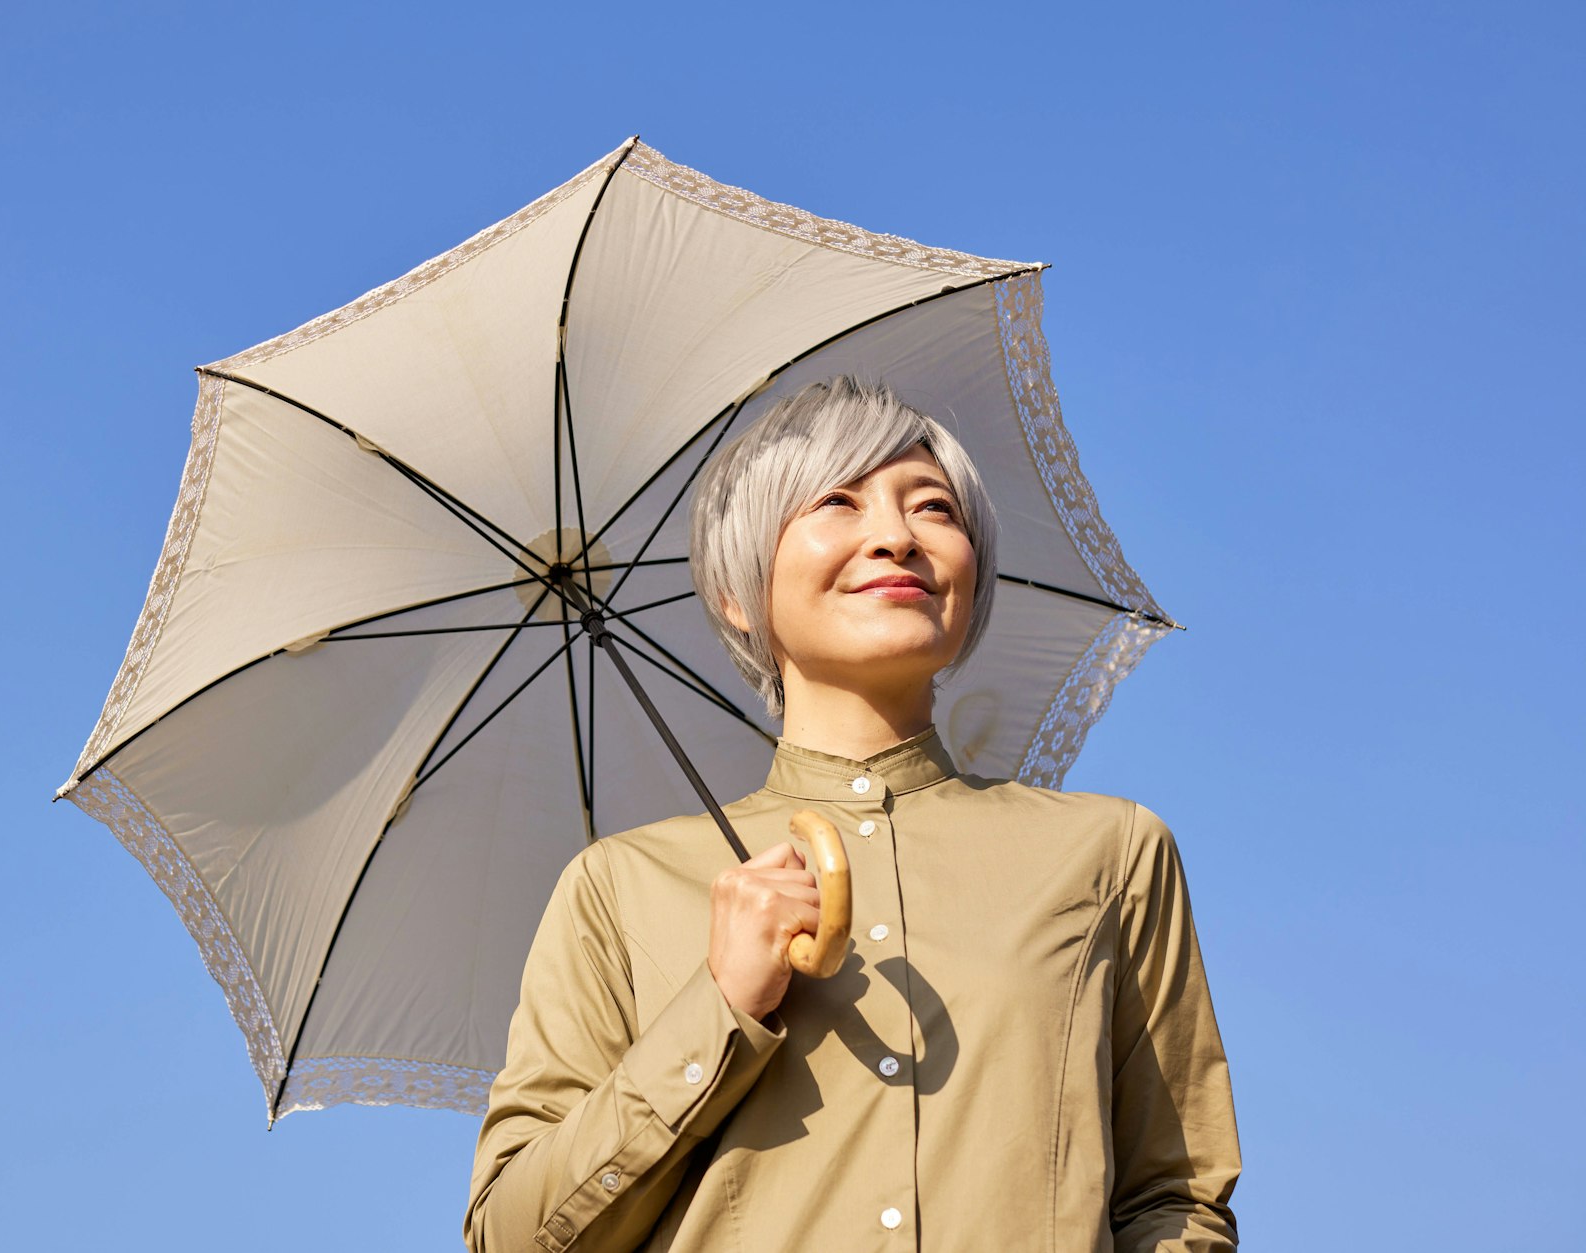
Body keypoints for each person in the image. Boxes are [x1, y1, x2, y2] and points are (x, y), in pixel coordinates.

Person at [465, 376, 1241, 1252]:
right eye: (837, 500)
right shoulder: (618, 886)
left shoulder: (1110, 853)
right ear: (738, 592)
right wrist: (718, 1006)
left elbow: (1175, 1201)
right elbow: (512, 1237)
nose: (896, 537)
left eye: (935, 508)